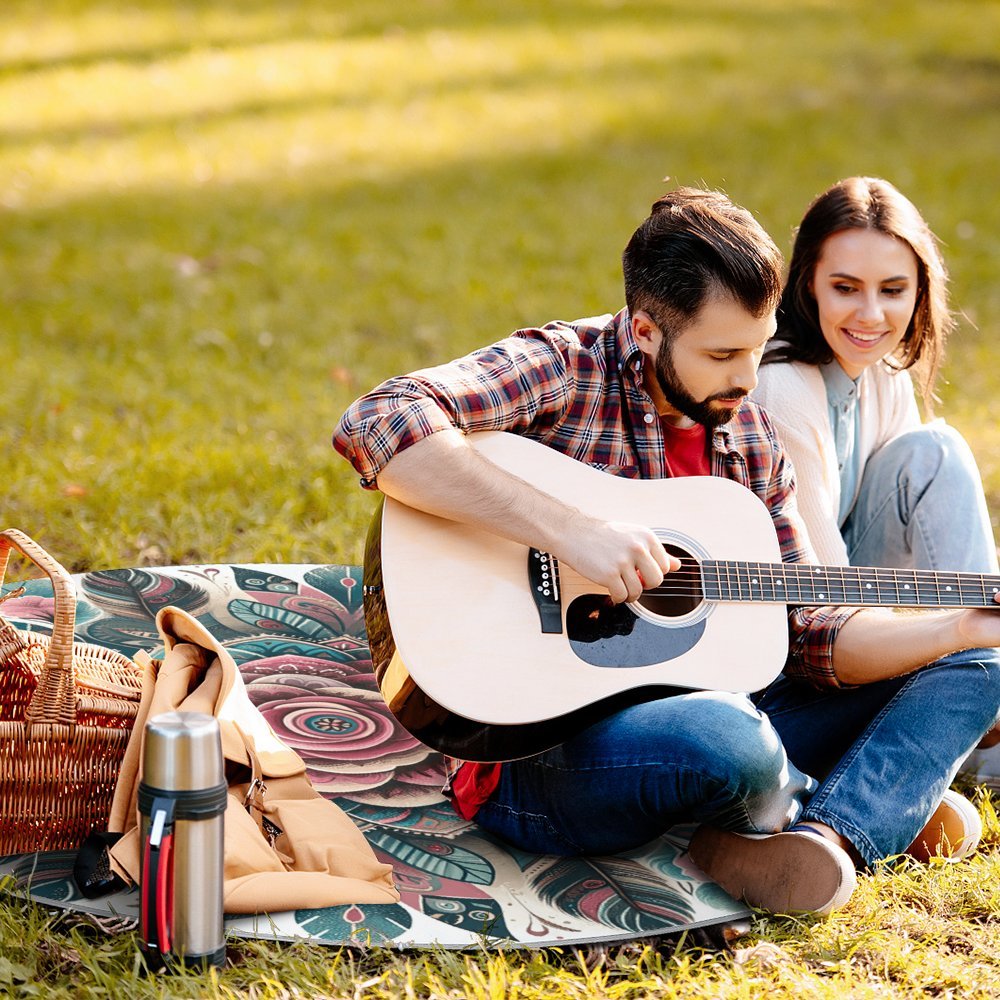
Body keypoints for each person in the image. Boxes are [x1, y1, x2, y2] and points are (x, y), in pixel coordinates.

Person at [333, 187, 1000, 916]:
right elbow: (380, 419)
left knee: (980, 665)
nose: (748, 380)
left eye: (757, 346)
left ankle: (829, 837)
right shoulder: (564, 367)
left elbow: (810, 629)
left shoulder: (748, 436)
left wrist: (956, 628)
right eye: (722, 354)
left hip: (729, 708)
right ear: (646, 330)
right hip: (538, 753)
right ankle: (856, 796)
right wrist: (569, 530)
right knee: (729, 741)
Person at [753, 176, 1000, 787]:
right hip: (792, 647)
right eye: (845, 288)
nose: (871, 315)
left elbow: (920, 549)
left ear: (920, 291)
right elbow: (823, 602)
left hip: (856, 612)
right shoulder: (783, 386)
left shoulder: (881, 369)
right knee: (937, 450)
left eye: (893, 290)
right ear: (807, 281)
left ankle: (979, 694)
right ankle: (978, 728)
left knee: (931, 451)